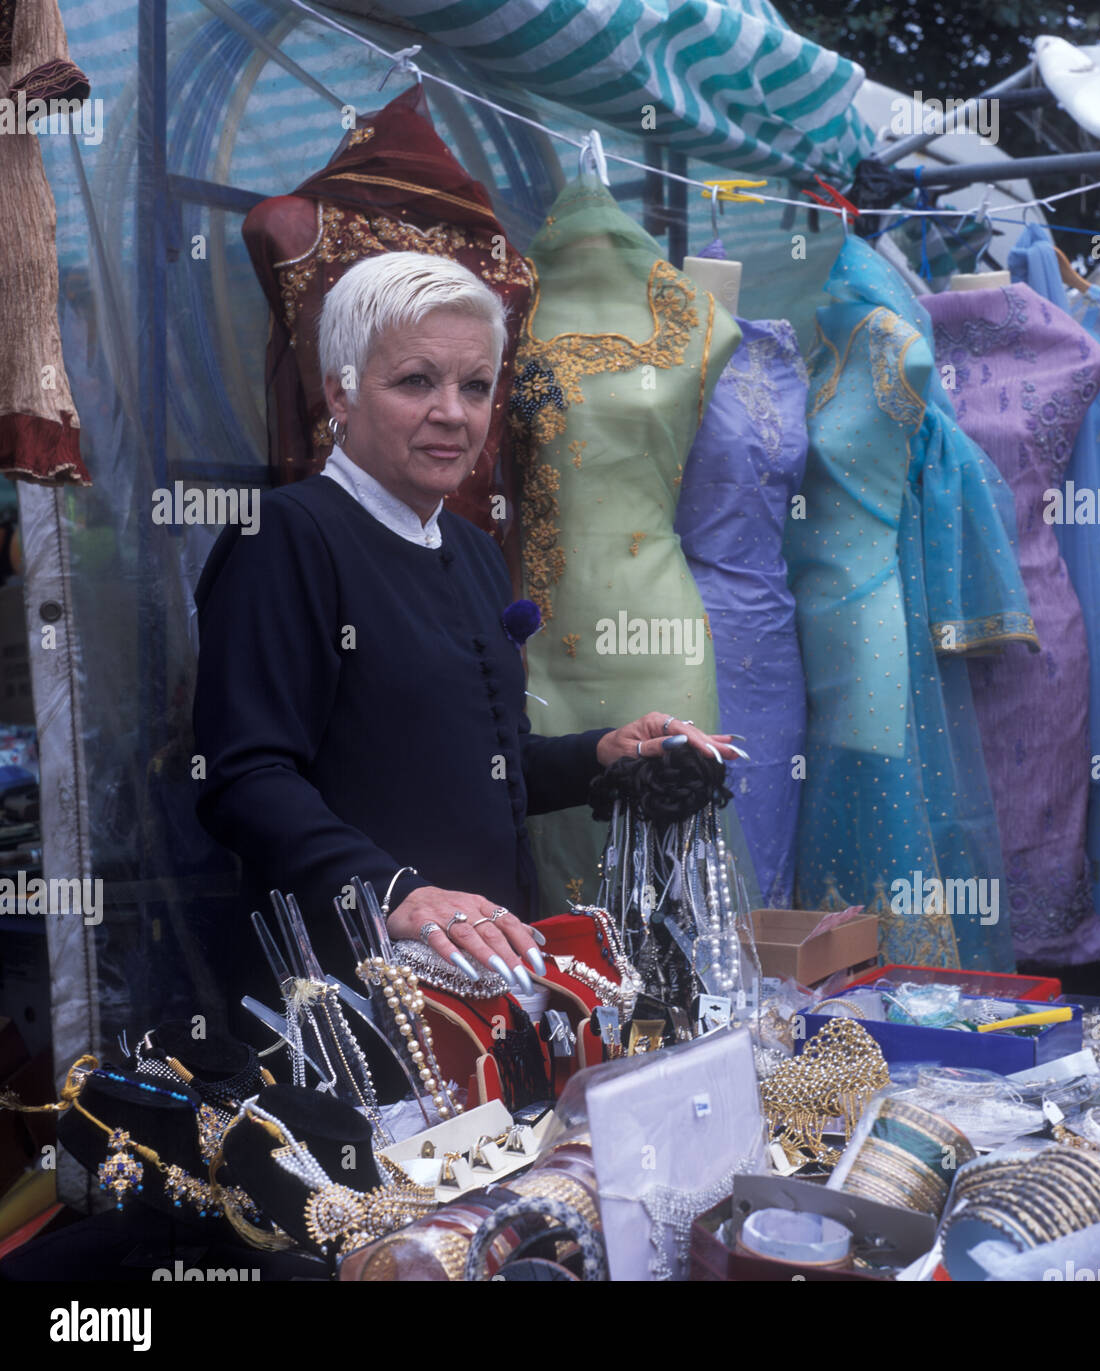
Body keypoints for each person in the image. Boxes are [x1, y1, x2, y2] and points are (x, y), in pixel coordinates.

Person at [193, 251, 741, 1002]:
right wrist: (394, 893)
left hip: (487, 978)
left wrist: (601, 755)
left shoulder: (473, 551)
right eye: (416, 380)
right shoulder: (287, 537)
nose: (453, 412)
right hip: (354, 987)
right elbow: (245, 779)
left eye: (475, 386)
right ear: (339, 394)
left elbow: (484, 760)